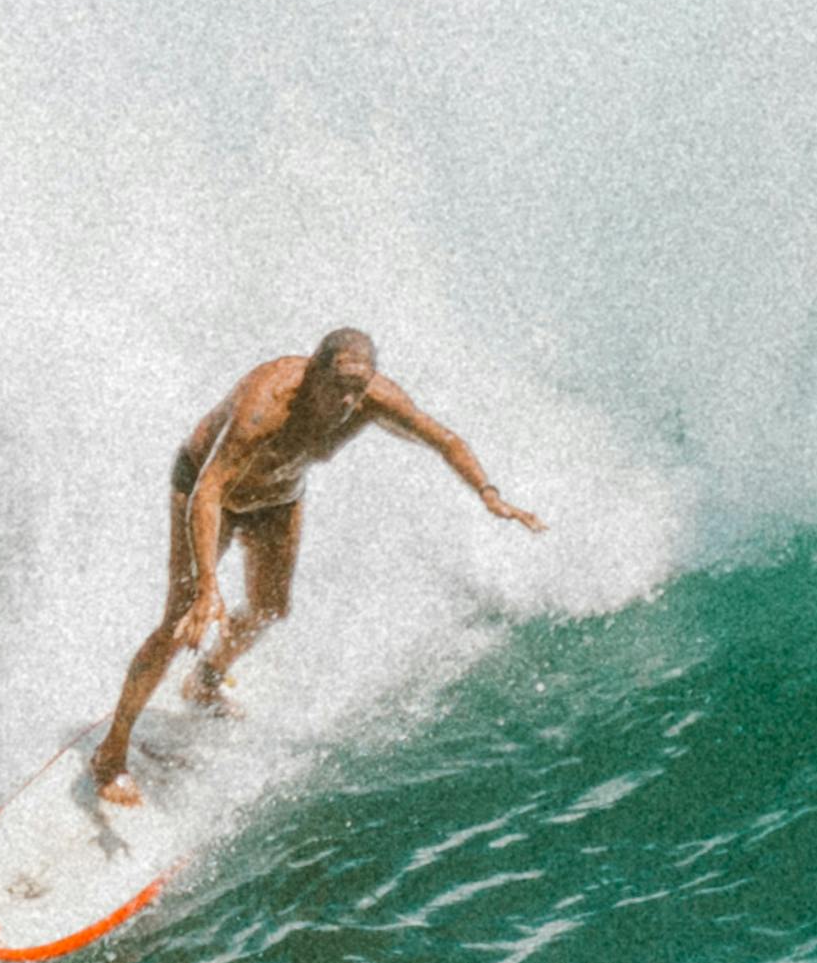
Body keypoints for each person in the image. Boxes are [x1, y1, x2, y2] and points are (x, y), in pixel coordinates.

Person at [94, 327, 541, 805]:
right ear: (313, 373)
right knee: (179, 621)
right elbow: (209, 489)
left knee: (270, 608)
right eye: (339, 384)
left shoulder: (371, 399)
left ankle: (205, 680)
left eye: (359, 387)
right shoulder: (265, 404)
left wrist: (489, 494)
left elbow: (444, 440)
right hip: (208, 490)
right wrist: (208, 584)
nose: (348, 400)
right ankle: (111, 754)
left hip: (279, 499)